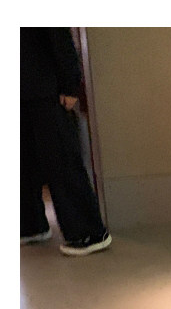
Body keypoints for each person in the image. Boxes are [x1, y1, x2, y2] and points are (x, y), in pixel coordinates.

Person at [20, 29, 111, 254]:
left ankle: (89, 231)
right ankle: (31, 225)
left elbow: (59, 36)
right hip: (26, 87)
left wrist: (70, 85)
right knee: (24, 163)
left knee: (61, 160)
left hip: (45, 87)